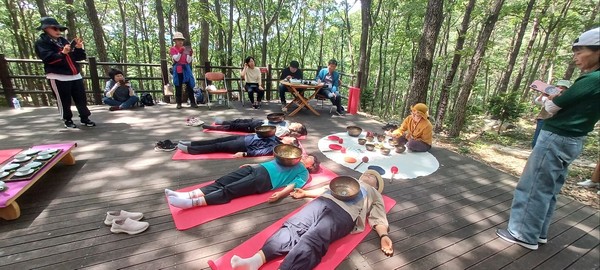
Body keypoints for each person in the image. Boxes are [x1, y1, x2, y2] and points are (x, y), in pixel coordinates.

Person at [496, 27, 600, 250]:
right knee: (549, 189)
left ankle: (522, 234)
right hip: (573, 139)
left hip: (557, 137)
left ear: (597, 51)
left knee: (532, 186)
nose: (576, 57)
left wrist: (551, 99)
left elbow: (552, 107)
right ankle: (538, 232)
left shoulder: (592, 79)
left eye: (580, 51)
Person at [229, 170, 392, 270]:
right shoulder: (349, 179)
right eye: (368, 172)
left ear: (376, 186)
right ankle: (255, 261)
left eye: (373, 177)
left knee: (314, 239)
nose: (369, 174)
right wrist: (306, 194)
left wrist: (384, 236)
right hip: (323, 201)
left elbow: (378, 215)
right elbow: (327, 189)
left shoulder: (374, 194)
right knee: (293, 227)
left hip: (345, 213)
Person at [165, 153, 321, 208]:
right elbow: (271, 162)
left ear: (311, 166)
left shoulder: (303, 173)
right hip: (256, 169)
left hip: (265, 180)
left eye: (309, 159)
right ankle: (188, 195)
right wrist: (252, 164)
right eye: (307, 155)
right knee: (222, 181)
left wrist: (280, 194)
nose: (306, 157)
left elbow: (292, 185)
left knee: (230, 190)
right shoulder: (291, 158)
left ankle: (191, 203)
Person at [34, 17, 95, 128]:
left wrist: (78, 48)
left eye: (60, 29)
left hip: (75, 75)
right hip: (58, 76)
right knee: (64, 100)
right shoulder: (42, 43)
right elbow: (48, 59)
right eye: (55, 29)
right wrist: (62, 53)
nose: (58, 31)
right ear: (46, 29)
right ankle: (67, 120)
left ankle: (85, 118)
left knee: (81, 98)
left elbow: (78, 57)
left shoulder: (63, 41)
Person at [176, 134, 298, 157]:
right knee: (217, 140)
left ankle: (191, 150)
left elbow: (260, 152)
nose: (287, 137)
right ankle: (191, 143)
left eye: (290, 138)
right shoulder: (277, 137)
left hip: (242, 145)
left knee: (217, 146)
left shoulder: (276, 147)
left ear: (289, 144)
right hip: (244, 137)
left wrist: (245, 154)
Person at [531, 80, 571, 148]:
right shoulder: (549, 96)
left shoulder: (566, 98)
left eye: (562, 87)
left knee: (548, 141)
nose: (560, 89)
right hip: (543, 119)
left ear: (566, 89)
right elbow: (538, 101)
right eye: (558, 87)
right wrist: (543, 94)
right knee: (537, 138)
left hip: (555, 122)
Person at [202, 118, 308, 138]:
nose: (295, 122)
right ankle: (221, 121)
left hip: (257, 127)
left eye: (297, 124)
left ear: (296, 130)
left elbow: (272, 134)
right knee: (239, 121)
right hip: (259, 121)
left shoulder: (285, 131)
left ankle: (211, 127)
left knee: (234, 127)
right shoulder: (287, 122)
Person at [169, 32, 196, 109]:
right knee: (178, 85)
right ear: (175, 41)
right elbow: (176, 59)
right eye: (178, 40)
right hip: (178, 68)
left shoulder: (186, 48)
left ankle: (193, 102)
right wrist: (180, 52)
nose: (180, 41)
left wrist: (190, 55)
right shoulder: (173, 49)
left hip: (186, 68)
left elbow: (188, 61)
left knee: (190, 85)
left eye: (181, 40)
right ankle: (179, 103)